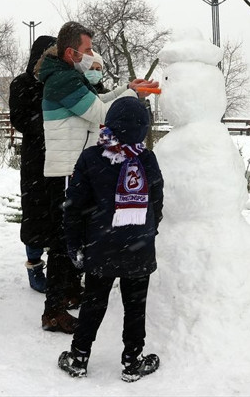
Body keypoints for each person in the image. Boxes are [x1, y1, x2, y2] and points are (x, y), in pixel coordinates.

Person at [37, 21, 157, 333]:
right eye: (87, 49)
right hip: (66, 170)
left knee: (72, 236)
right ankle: (54, 309)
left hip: (73, 167)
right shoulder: (62, 81)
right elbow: (103, 115)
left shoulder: (69, 76)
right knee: (64, 243)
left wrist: (127, 88)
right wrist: (131, 95)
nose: (92, 55)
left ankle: (69, 293)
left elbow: (99, 101)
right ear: (70, 52)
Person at [58, 97, 164, 382]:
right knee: (135, 306)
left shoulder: (91, 158)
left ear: (110, 124)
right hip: (139, 248)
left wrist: (74, 243)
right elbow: (157, 201)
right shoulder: (146, 159)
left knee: (93, 303)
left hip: (100, 247)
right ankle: (132, 360)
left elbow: (74, 206)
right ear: (143, 129)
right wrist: (148, 231)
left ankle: (79, 356)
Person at [8, 34, 56, 293]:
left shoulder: (59, 80)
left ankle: (62, 263)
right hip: (36, 157)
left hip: (63, 155)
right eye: (47, 55)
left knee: (60, 209)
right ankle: (35, 264)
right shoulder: (22, 83)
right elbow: (19, 118)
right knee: (35, 211)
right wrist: (49, 124)